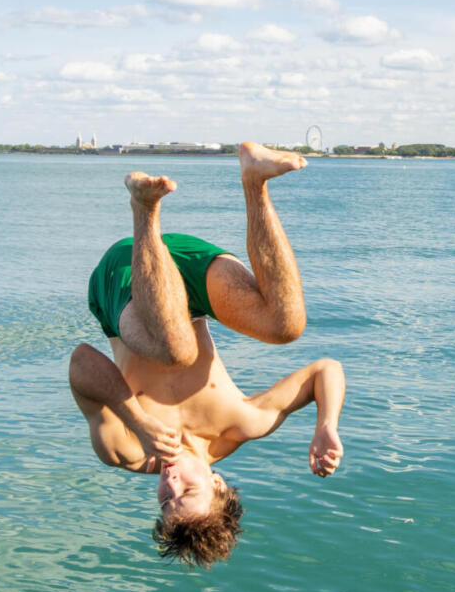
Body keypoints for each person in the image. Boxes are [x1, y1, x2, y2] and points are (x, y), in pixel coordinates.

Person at [68, 143, 346, 568]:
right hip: (182, 281)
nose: (170, 486)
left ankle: (144, 208)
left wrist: (136, 420)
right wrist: (326, 425)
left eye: (165, 502)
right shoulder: (241, 424)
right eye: (187, 492)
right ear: (217, 483)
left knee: (177, 350)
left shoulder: (125, 449)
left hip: (122, 281)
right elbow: (325, 370)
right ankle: (254, 180)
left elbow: (81, 360)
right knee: (286, 325)